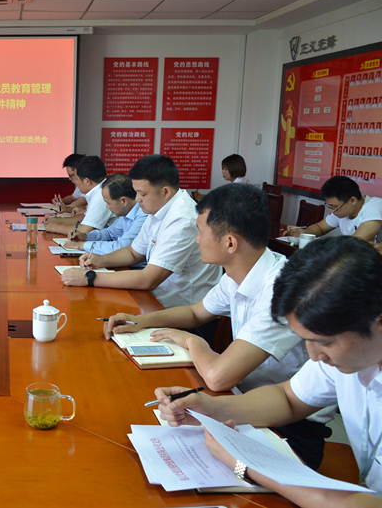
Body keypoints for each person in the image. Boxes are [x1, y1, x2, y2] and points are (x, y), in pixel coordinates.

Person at [107, 184, 329, 468]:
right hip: (246, 401)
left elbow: (218, 377)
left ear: (230, 243)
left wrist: (193, 341)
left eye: (201, 232)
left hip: (288, 427)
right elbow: (196, 312)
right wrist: (141, 320)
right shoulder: (239, 272)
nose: (197, 239)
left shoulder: (280, 290)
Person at [156, 236, 382, 506]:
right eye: (306, 340)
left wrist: (246, 466)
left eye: (325, 343)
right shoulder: (352, 353)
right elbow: (289, 398)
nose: (314, 356)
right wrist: (211, 409)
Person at [62, 154, 221, 314]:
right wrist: (100, 260)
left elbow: (149, 279)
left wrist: (89, 277)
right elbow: (133, 253)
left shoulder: (182, 219)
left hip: (179, 311)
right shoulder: (157, 209)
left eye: (142, 194)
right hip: (155, 300)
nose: (137, 199)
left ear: (165, 192)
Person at [63, 173, 148, 256]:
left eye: (108, 203)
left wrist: (83, 245)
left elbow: (121, 246)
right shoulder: (126, 213)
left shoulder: (143, 215)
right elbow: (109, 233)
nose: (107, 207)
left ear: (123, 201)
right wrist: (85, 236)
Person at [285, 175, 382, 243]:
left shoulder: (374, 207)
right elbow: (320, 228)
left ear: (352, 201)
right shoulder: (341, 210)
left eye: (334, 207)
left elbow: (355, 242)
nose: (331, 211)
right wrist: (305, 233)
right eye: (330, 207)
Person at [44, 155, 115, 237]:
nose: (75, 182)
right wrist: (57, 220)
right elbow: (83, 217)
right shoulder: (98, 190)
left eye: (76, 179)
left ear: (87, 181)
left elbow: (84, 230)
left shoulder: (101, 195)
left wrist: (55, 227)